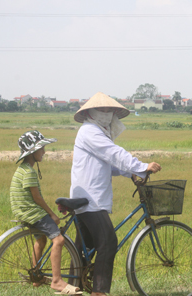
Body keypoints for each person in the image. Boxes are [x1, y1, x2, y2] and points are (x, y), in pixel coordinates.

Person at [70, 92, 161, 296]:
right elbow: (113, 153)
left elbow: (107, 164)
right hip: (90, 200)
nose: (105, 113)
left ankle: (73, 287)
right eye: (101, 110)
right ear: (90, 113)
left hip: (87, 197)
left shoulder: (96, 133)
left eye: (108, 110)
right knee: (108, 242)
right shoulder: (90, 132)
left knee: (83, 249)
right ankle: (99, 292)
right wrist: (142, 166)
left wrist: (130, 172)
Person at [10, 130, 82, 295]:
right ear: (32, 152)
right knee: (59, 240)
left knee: (41, 240)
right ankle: (56, 281)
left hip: (24, 211)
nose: (44, 151)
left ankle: (36, 276)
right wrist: (52, 214)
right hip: (31, 212)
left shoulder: (23, 169)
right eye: (41, 148)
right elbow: (37, 198)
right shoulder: (28, 172)